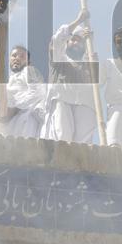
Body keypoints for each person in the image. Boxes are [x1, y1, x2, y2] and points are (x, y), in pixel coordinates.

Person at [41, 8, 100, 144]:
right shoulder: (59, 59)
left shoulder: (89, 64)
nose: (75, 43)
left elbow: (99, 84)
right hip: (62, 101)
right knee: (63, 138)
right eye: (73, 40)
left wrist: (91, 49)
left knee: (82, 147)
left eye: (80, 41)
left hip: (85, 105)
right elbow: (57, 41)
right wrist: (78, 20)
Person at [0, 45, 46, 138]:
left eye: (22, 56)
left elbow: (38, 92)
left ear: (28, 62)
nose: (17, 58)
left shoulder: (29, 70)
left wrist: (16, 108)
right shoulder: (9, 80)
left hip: (25, 120)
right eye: (14, 55)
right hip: (8, 125)